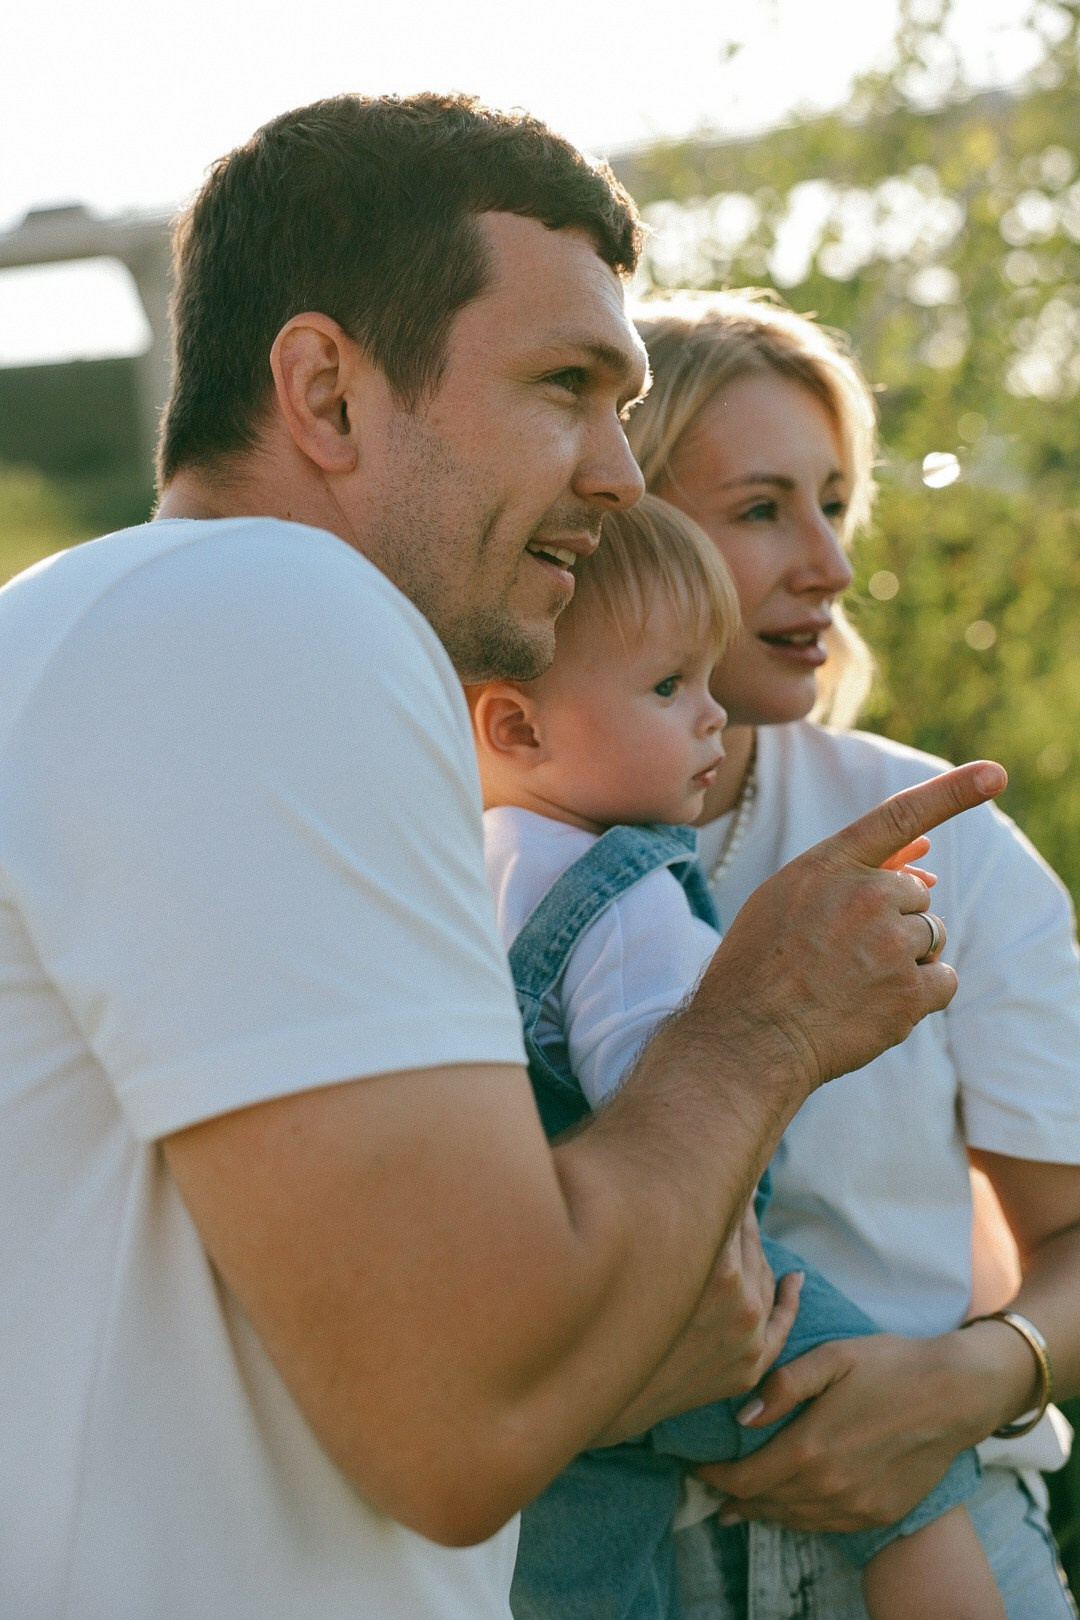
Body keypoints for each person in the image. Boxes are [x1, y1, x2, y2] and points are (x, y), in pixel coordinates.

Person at [0, 97, 1005, 1620]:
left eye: (628, 403)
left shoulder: (104, 625)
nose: (618, 472)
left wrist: (594, 1343)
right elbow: (464, 1410)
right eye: (565, 388)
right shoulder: (270, 612)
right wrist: (761, 1020)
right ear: (326, 393)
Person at [625, 289, 1080, 1619]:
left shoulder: (948, 837)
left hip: (937, 1545)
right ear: (619, 528)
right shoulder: (457, 843)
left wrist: (981, 1376)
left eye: (834, 501)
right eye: (761, 509)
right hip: (604, 1572)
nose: (826, 560)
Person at [472, 492, 1003, 1620]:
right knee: (913, 1474)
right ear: (516, 727)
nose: (711, 718)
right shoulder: (629, 902)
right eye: (670, 688)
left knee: (579, 1554)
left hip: (517, 1298)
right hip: (679, 1282)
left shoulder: (462, 860)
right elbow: (671, 1112)